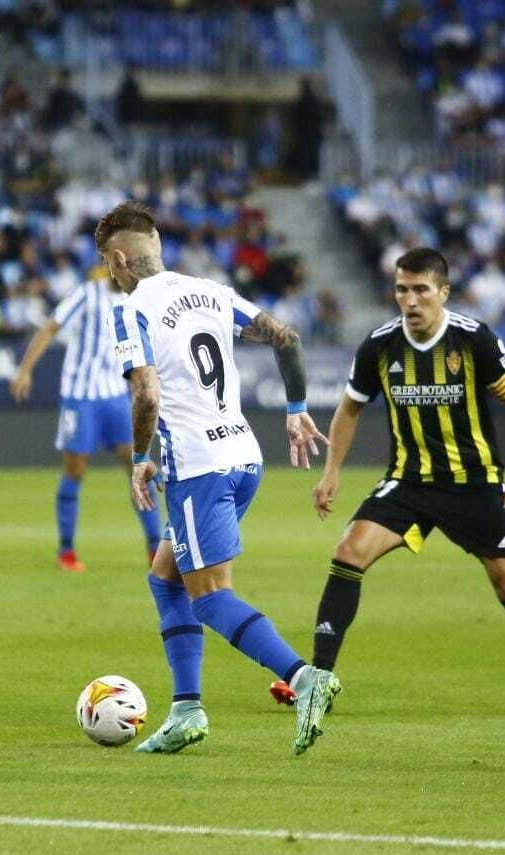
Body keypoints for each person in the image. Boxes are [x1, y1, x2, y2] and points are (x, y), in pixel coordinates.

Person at [95, 201, 336, 756]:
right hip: (244, 455)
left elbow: (148, 392)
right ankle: (186, 709)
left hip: (199, 467)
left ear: (118, 259)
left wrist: (138, 456)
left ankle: (305, 678)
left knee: (208, 598)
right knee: (165, 577)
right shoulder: (211, 291)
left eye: (110, 265)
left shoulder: (130, 311)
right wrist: (296, 406)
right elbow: (287, 338)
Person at [302, 248, 505, 719]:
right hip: (409, 482)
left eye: (421, 289)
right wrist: (332, 471)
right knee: (348, 552)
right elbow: (349, 408)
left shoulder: (472, 340)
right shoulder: (380, 345)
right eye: (402, 289)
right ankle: (317, 679)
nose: (410, 300)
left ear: (443, 292)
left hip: (475, 484)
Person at [10, 270, 162, 571]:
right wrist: (25, 370)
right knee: (75, 471)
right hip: (80, 398)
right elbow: (49, 328)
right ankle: (66, 551)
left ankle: (155, 548)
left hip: (116, 398)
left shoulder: (136, 301)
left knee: (139, 468)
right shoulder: (86, 294)